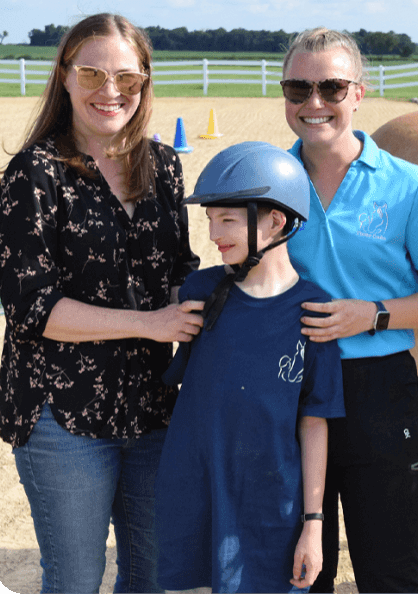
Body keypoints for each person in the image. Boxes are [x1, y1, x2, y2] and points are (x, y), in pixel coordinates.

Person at [0, 13, 204, 593]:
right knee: (76, 580)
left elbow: (176, 269)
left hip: (152, 407)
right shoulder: (32, 175)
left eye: (127, 79)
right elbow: (33, 308)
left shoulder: (163, 167)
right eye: (92, 74)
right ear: (64, 77)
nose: (110, 92)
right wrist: (153, 321)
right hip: (61, 417)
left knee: (153, 575)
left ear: (145, 83)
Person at [278, 28, 418, 593]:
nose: (314, 103)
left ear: (359, 92)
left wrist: (373, 315)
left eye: (332, 88)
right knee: (298, 573)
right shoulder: (269, 182)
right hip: (288, 388)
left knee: (391, 576)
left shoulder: (409, 186)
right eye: (298, 88)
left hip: (381, 393)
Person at [154, 141, 345, 593]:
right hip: (193, 496)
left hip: (270, 509)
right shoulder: (199, 293)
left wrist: (314, 525)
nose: (214, 234)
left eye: (228, 219)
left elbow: (315, 421)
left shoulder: (314, 312)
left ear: (276, 221)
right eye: (210, 220)